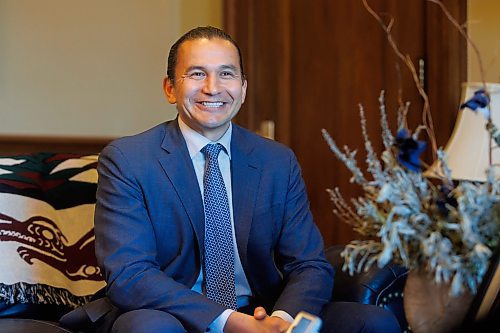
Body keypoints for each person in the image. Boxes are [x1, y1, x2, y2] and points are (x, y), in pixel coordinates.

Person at [94, 26, 400, 333]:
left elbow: (309, 265)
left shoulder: (277, 162)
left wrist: (281, 321)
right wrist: (229, 323)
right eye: (197, 74)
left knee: (374, 322)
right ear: (170, 88)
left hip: (262, 312)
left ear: (243, 88)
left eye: (226, 74)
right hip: (174, 315)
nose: (213, 88)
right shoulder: (128, 159)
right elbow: (130, 274)